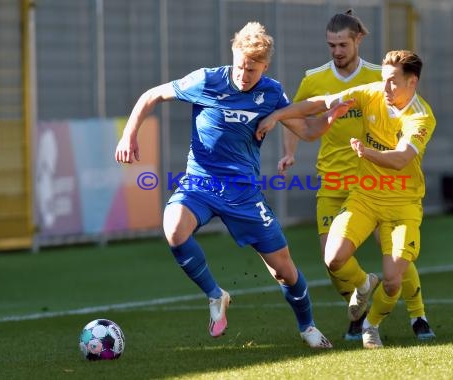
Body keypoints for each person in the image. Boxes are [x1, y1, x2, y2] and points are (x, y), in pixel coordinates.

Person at [114, 22, 347, 348]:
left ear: (265, 66)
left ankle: (307, 326)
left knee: (283, 271)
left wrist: (329, 119)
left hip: (244, 192)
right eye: (240, 66)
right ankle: (215, 295)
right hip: (200, 182)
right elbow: (151, 95)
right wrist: (129, 134)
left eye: (252, 69)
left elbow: (307, 131)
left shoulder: (271, 93)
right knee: (174, 229)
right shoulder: (207, 80)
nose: (243, 74)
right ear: (233, 56)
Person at [256, 50, 436, 348]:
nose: (385, 87)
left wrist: (368, 153)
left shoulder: (420, 116)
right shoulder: (372, 92)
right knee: (333, 257)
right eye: (383, 80)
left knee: (393, 279)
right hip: (364, 196)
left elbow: (402, 158)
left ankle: (372, 324)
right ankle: (365, 285)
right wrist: (278, 115)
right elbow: (321, 102)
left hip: (401, 205)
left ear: (412, 82)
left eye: (392, 82)